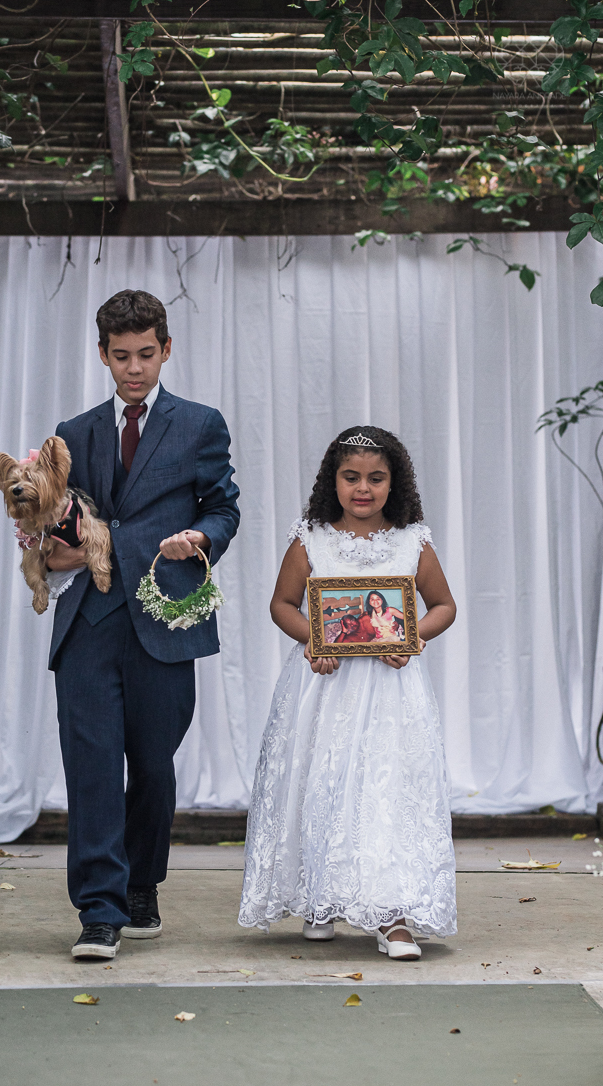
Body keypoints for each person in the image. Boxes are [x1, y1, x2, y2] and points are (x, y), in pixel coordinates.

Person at [47, 290, 240, 961]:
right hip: (88, 620)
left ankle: (140, 884)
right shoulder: (72, 433)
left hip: (165, 616)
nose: (135, 368)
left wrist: (200, 538)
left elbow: (223, 508)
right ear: (103, 354)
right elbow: (57, 520)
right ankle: (98, 911)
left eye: (146, 354)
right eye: (122, 356)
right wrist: (50, 544)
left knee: (153, 767)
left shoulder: (200, 424)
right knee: (92, 768)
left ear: (166, 349)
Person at [239, 426, 457, 961]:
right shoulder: (310, 539)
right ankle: (321, 900)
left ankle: (391, 915)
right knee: (322, 783)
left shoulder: (412, 541)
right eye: (351, 477)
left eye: (376, 478)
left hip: (390, 690)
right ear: (331, 481)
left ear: (394, 483)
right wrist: (313, 640)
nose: (363, 488)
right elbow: (283, 604)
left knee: (385, 791)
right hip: (324, 686)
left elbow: (443, 606)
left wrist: (413, 637)